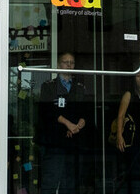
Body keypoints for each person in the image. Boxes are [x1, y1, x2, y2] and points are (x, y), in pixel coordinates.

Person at [38, 52, 93, 194]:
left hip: (75, 141)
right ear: (58, 64)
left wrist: (80, 123)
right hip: (54, 142)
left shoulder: (80, 87)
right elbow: (47, 111)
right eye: (65, 62)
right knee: (50, 180)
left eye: (72, 62)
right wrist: (67, 124)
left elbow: (86, 111)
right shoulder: (48, 86)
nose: (69, 65)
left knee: (70, 182)